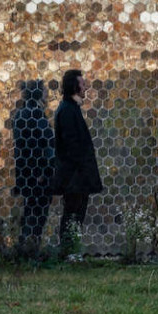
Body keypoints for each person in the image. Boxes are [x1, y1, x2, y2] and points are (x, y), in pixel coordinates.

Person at [51, 68, 103, 254]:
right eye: (82, 84)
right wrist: (80, 169)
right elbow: (71, 144)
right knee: (73, 213)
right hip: (74, 176)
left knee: (76, 213)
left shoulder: (69, 109)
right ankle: (68, 251)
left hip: (76, 175)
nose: (85, 87)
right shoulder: (67, 111)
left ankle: (70, 249)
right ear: (74, 86)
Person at [10, 80, 54, 255]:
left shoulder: (20, 114)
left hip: (24, 172)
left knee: (28, 211)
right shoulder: (37, 114)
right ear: (38, 93)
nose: (47, 95)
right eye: (44, 91)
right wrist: (45, 170)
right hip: (38, 173)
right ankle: (31, 250)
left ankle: (23, 246)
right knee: (38, 212)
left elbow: (20, 147)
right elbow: (45, 144)